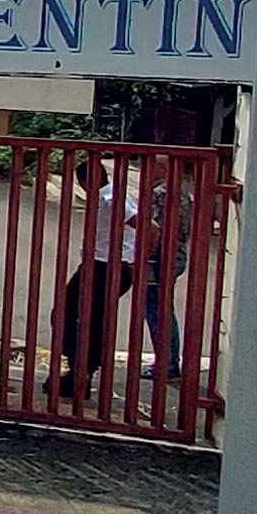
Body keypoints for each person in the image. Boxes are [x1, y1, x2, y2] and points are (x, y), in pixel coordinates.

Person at [59, 157, 137, 400]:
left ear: (84, 181)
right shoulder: (109, 196)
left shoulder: (111, 199)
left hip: (105, 268)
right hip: (101, 266)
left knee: (73, 315)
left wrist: (136, 259)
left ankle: (81, 372)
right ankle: (80, 371)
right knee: (84, 318)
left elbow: (148, 226)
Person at [141, 173, 193, 383]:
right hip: (174, 254)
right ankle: (168, 361)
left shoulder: (162, 191)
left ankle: (167, 363)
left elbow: (155, 229)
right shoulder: (179, 187)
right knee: (161, 308)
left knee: (156, 309)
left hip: (161, 257)